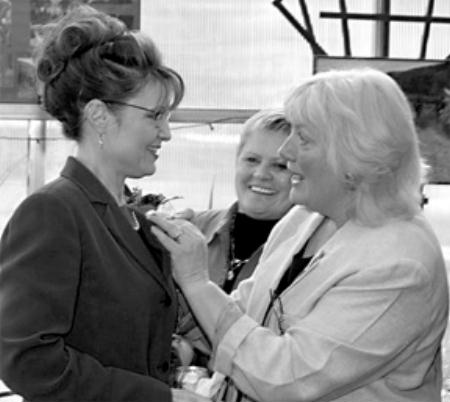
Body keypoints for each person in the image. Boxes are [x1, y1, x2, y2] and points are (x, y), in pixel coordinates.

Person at [148, 68, 449, 402]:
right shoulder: (304, 219)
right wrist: (168, 287)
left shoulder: (399, 264)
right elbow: (245, 316)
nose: (286, 152)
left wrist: (195, 280)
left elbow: (285, 379)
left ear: (354, 153)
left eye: (302, 138)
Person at [0, 5, 186, 402]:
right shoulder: (54, 212)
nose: (166, 133)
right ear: (99, 116)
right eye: (155, 116)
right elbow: (27, 361)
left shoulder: (129, 215)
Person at [174, 109, 293, 366]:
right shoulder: (191, 230)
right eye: (251, 159)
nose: (261, 174)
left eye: (280, 165)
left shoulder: (306, 254)